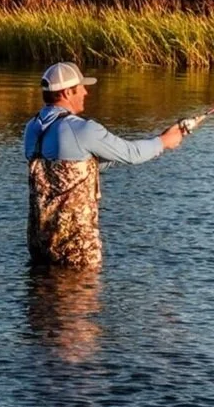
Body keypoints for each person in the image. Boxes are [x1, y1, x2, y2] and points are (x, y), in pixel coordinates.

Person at [23, 61, 184, 269]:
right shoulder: (82, 129)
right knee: (82, 299)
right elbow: (131, 153)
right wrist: (164, 141)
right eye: (81, 87)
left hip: (39, 244)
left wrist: (113, 156)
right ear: (67, 92)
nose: (86, 92)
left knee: (43, 301)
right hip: (76, 247)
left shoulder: (32, 129)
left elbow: (73, 169)